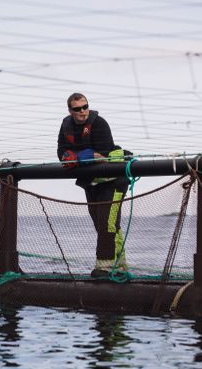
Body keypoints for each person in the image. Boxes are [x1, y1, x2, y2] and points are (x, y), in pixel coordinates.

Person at [57, 92, 129, 278]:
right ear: (70, 110)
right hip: (91, 183)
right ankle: (120, 265)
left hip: (113, 181)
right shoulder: (66, 126)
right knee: (103, 224)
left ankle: (103, 268)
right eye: (77, 109)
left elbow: (103, 154)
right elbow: (61, 152)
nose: (82, 111)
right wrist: (71, 157)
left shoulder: (100, 123)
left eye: (85, 107)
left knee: (108, 224)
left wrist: (80, 157)